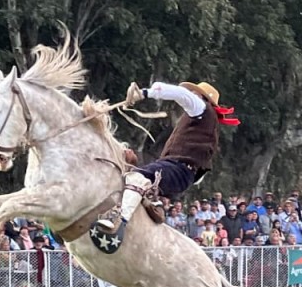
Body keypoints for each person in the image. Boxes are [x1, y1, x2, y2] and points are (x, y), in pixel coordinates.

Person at [90, 80, 240, 253]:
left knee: (137, 177)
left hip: (178, 169)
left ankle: (119, 220)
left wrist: (146, 93)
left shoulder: (202, 109)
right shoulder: (203, 122)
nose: (191, 94)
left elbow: (181, 95)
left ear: (201, 97)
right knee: (130, 174)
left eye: (195, 93)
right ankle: (151, 202)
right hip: (177, 169)